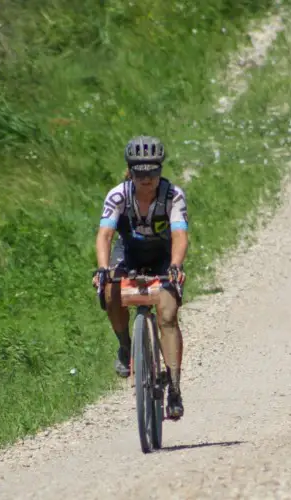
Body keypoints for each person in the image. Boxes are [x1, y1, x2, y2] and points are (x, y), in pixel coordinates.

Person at [91, 135, 188, 420]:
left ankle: (174, 387)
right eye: (140, 172)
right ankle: (125, 345)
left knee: (168, 315)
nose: (147, 179)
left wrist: (175, 265)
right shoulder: (117, 195)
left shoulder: (173, 195)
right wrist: (102, 267)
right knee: (109, 291)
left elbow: (180, 235)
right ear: (130, 171)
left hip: (162, 253)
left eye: (153, 172)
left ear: (160, 169)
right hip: (129, 252)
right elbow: (105, 234)